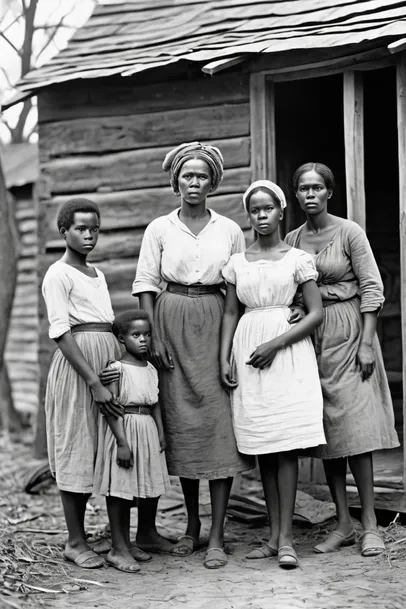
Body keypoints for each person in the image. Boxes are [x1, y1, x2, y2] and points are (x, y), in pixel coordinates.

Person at [130, 141, 257, 570]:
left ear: (213, 183)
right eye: (188, 176)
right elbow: (146, 283)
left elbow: (237, 289)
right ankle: (192, 526)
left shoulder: (229, 230)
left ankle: (219, 536)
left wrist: (231, 347)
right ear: (176, 181)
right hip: (170, 320)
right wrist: (154, 336)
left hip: (216, 318)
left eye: (202, 176)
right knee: (182, 424)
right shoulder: (159, 228)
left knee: (217, 425)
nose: (194, 183)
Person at [285, 163, 400, 557]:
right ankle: (343, 522)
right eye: (303, 189)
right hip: (313, 340)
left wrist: (367, 342)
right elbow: (295, 290)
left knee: (357, 429)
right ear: (296, 195)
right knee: (327, 431)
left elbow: (372, 287)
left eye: (317, 187)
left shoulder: (349, 232)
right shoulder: (292, 238)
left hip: (350, 331)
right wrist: (300, 309)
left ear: (329, 192)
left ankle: (370, 524)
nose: (310, 194)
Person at [220, 180, 326, 569]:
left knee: (286, 443)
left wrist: (276, 344)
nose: (261, 216)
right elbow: (231, 312)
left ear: (282, 212)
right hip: (248, 350)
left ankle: (286, 540)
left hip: (287, 353)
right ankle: (271, 535)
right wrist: (223, 356)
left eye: (268, 209)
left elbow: (316, 313)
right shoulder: (237, 262)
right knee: (264, 443)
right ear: (248, 216)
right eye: (254, 210)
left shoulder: (297, 258)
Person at [42, 198, 122, 569]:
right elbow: (60, 331)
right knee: (76, 442)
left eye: (94, 229)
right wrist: (92, 380)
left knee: (108, 443)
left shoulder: (97, 274)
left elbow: (103, 322)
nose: (89, 235)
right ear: (64, 232)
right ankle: (75, 541)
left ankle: (119, 537)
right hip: (79, 370)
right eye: (81, 229)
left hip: (104, 362)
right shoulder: (58, 275)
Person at [94, 310, 170, 573]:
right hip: (124, 429)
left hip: (146, 428)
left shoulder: (149, 368)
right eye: (136, 335)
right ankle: (118, 548)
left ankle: (129, 542)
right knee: (121, 489)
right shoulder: (116, 369)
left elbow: (156, 402)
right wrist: (122, 443)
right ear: (121, 338)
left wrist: (160, 431)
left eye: (147, 335)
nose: (143, 340)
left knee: (141, 486)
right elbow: (110, 408)